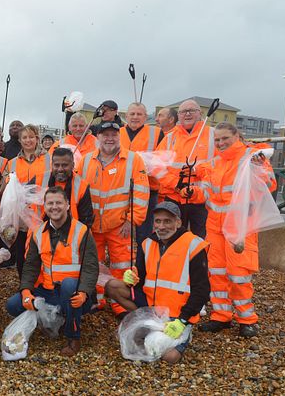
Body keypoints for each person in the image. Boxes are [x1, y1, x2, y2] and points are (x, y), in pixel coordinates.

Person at [186, 122, 276, 337]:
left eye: (225, 138)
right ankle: (221, 316)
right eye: (217, 140)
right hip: (215, 226)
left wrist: (258, 166)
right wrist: (191, 193)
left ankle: (247, 320)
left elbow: (269, 184)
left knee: (239, 274)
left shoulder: (251, 156)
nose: (220, 143)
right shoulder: (215, 162)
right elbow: (207, 193)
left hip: (240, 226)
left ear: (237, 136)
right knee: (216, 272)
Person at [105, 201, 210, 363]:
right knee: (113, 286)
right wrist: (131, 277)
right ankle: (145, 321)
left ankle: (185, 334)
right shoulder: (147, 244)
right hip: (151, 307)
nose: (161, 226)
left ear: (178, 222)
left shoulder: (193, 246)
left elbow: (202, 290)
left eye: (167, 221)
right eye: (158, 221)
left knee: (169, 358)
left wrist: (183, 320)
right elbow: (140, 279)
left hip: (177, 315)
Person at [6, 187, 98, 356]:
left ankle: (73, 336)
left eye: (58, 203)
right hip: (47, 292)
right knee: (12, 305)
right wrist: (26, 291)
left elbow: (91, 267)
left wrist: (84, 292)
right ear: (45, 207)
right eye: (50, 203)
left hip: (73, 294)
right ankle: (56, 317)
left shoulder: (82, 231)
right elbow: (31, 266)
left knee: (69, 285)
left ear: (68, 205)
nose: (54, 207)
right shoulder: (38, 233)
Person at [76, 121, 149, 316]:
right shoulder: (84, 161)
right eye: (105, 134)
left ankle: (119, 304)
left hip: (120, 225)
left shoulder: (134, 160)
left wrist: (132, 220)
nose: (109, 138)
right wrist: (81, 223)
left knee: (122, 266)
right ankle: (98, 300)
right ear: (97, 137)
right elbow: (77, 192)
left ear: (120, 136)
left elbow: (141, 193)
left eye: (113, 134)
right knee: (95, 264)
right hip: (92, 226)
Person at [156, 99, 218, 239]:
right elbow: (158, 168)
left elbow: (220, 164)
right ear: (179, 115)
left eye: (192, 111)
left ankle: (199, 261)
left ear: (200, 113)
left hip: (202, 200)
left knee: (202, 240)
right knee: (172, 239)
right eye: (183, 111)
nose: (187, 114)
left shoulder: (214, 135)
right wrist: (176, 184)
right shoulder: (169, 138)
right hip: (174, 198)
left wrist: (197, 171)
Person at [4, 124, 52, 276]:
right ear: (19, 140)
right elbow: (7, 186)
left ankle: (41, 283)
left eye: (31, 137)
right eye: (24, 137)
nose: (28, 140)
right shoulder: (12, 163)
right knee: (20, 252)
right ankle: (24, 285)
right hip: (20, 217)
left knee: (41, 250)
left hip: (43, 214)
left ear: (37, 138)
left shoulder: (48, 159)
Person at [120, 103, 164, 245]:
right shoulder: (116, 133)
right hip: (121, 191)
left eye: (139, 114)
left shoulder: (156, 133)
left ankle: (143, 262)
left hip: (148, 190)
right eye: (132, 114)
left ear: (145, 117)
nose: (135, 117)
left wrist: (147, 163)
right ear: (126, 116)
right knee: (121, 232)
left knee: (144, 233)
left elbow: (164, 160)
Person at [46, 147, 94, 227]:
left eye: (64, 165)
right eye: (56, 165)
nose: (60, 169)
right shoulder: (38, 180)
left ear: (73, 166)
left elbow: (86, 220)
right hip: (41, 235)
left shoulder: (82, 186)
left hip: (71, 234)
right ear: (52, 165)